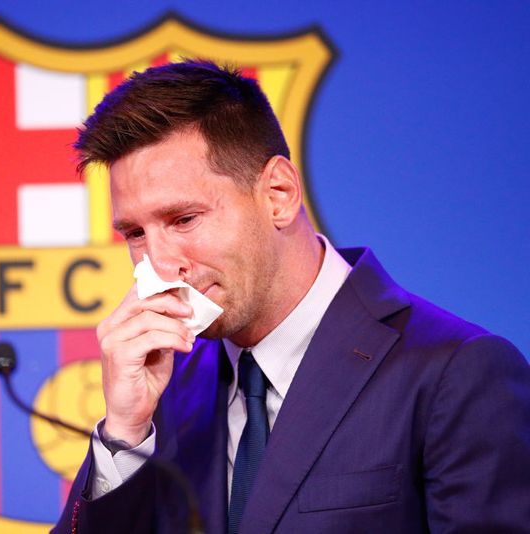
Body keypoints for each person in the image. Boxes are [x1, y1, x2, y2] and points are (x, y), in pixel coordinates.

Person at [52, 60, 530, 533]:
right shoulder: (163, 387)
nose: (156, 264)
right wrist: (124, 433)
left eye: (183, 219)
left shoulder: (458, 372)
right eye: (135, 232)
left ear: (278, 194)